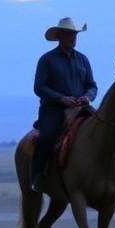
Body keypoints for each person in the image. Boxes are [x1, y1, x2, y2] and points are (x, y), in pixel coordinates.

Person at [31, 17, 98, 193]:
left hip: (81, 107)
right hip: (54, 109)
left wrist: (87, 97)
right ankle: (37, 176)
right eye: (69, 34)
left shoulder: (83, 60)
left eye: (75, 34)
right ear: (60, 36)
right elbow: (39, 87)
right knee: (46, 137)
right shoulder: (47, 60)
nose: (73, 38)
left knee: (106, 129)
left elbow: (92, 85)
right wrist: (60, 98)